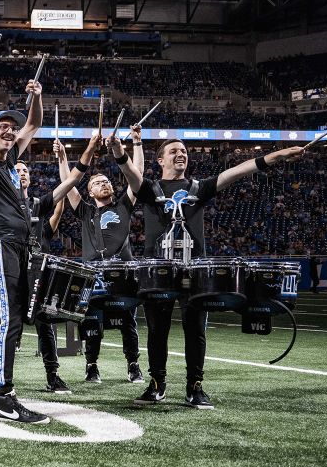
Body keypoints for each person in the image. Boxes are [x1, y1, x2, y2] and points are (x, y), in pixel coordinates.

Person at [110, 135, 305, 409]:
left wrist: (279, 155)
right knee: (156, 331)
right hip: (158, 272)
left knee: (195, 330)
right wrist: (119, 151)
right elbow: (130, 172)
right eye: (174, 151)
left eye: (184, 151)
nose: (181, 154)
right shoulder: (150, 189)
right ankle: (156, 384)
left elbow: (238, 171)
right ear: (161, 159)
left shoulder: (198, 187)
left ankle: (195, 386)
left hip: (195, 271)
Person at [0, 73, 90, 425]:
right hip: (2, 241)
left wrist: (36, 94)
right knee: (8, 319)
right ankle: (3, 398)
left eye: (11, 128)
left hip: (20, 246)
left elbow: (34, 122)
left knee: (12, 319)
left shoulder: (9, 164)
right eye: (1, 126)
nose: (9, 130)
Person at [56, 133, 145, 386]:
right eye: (97, 182)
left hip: (122, 271)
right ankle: (92, 366)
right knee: (92, 321)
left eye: (106, 181)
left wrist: (136, 144)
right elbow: (67, 184)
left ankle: (133, 365)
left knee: (128, 322)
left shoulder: (123, 206)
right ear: (90, 191)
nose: (104, 184)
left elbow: (136, 174)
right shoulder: (86, 211)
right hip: (92, 274)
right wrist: (62, 158)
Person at [16, 158, 70, 394]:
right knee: (7, 325)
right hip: (15, 271)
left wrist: (61, 193)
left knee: (45, 325)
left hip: (39, 274)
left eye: (26, 170)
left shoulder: (38, 206)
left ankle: (53, 375)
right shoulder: (4, 202)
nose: (23, 173)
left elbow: (58, 208)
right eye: (17, 170)